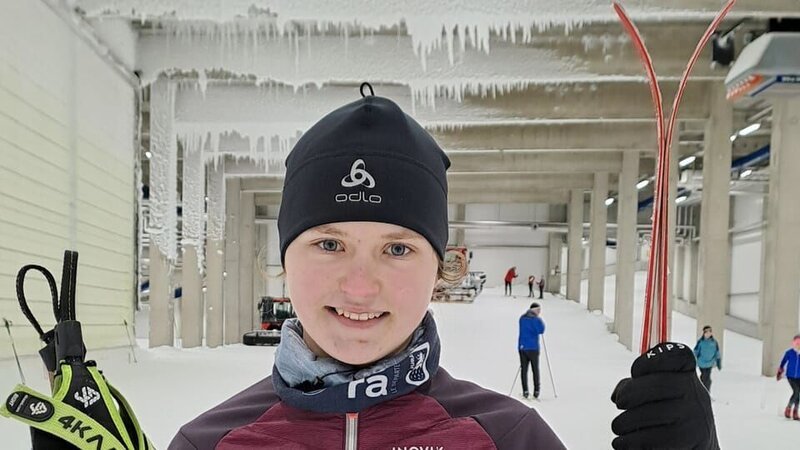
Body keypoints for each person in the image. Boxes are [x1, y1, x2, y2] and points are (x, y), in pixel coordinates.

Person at [169, 87, 720, 450]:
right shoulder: (210, 443)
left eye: (398, 249)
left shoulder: (509, 439)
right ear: (285, 260)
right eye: (329, 245)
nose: (360, 285)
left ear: (440, 267)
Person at [518, 302, 545, 399]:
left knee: (524, 370)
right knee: (535, 369)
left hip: (522, 347)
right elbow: (541, 330)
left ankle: (525, 390)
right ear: (534, 310)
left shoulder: (522, 318)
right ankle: (536, 390)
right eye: (538, 310)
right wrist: (539, 321)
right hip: (533, 348)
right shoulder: (536, 320)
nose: (539, 312)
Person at [777, 334, 800, 420]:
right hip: (790, 376)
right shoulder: (789, 353)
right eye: (797, 343)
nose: (798, 345)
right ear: (793, 343)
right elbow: (783, 362)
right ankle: (788, 408)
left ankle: (795, 411)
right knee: (796, 391)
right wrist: (780, 371)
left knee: (798, 394)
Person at [693, 325, 722, 393]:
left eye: (710, 332)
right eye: (706, 332)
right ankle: (702, 390)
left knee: (707, 378)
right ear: (704, 333)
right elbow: (696, 351)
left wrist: (718, 362)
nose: (708, 334)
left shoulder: (714, 342)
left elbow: (717, 352)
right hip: (702, 363)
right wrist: (693, 359)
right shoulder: (701, 342)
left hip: (710, 363)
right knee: (704, 376)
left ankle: (706, 391)